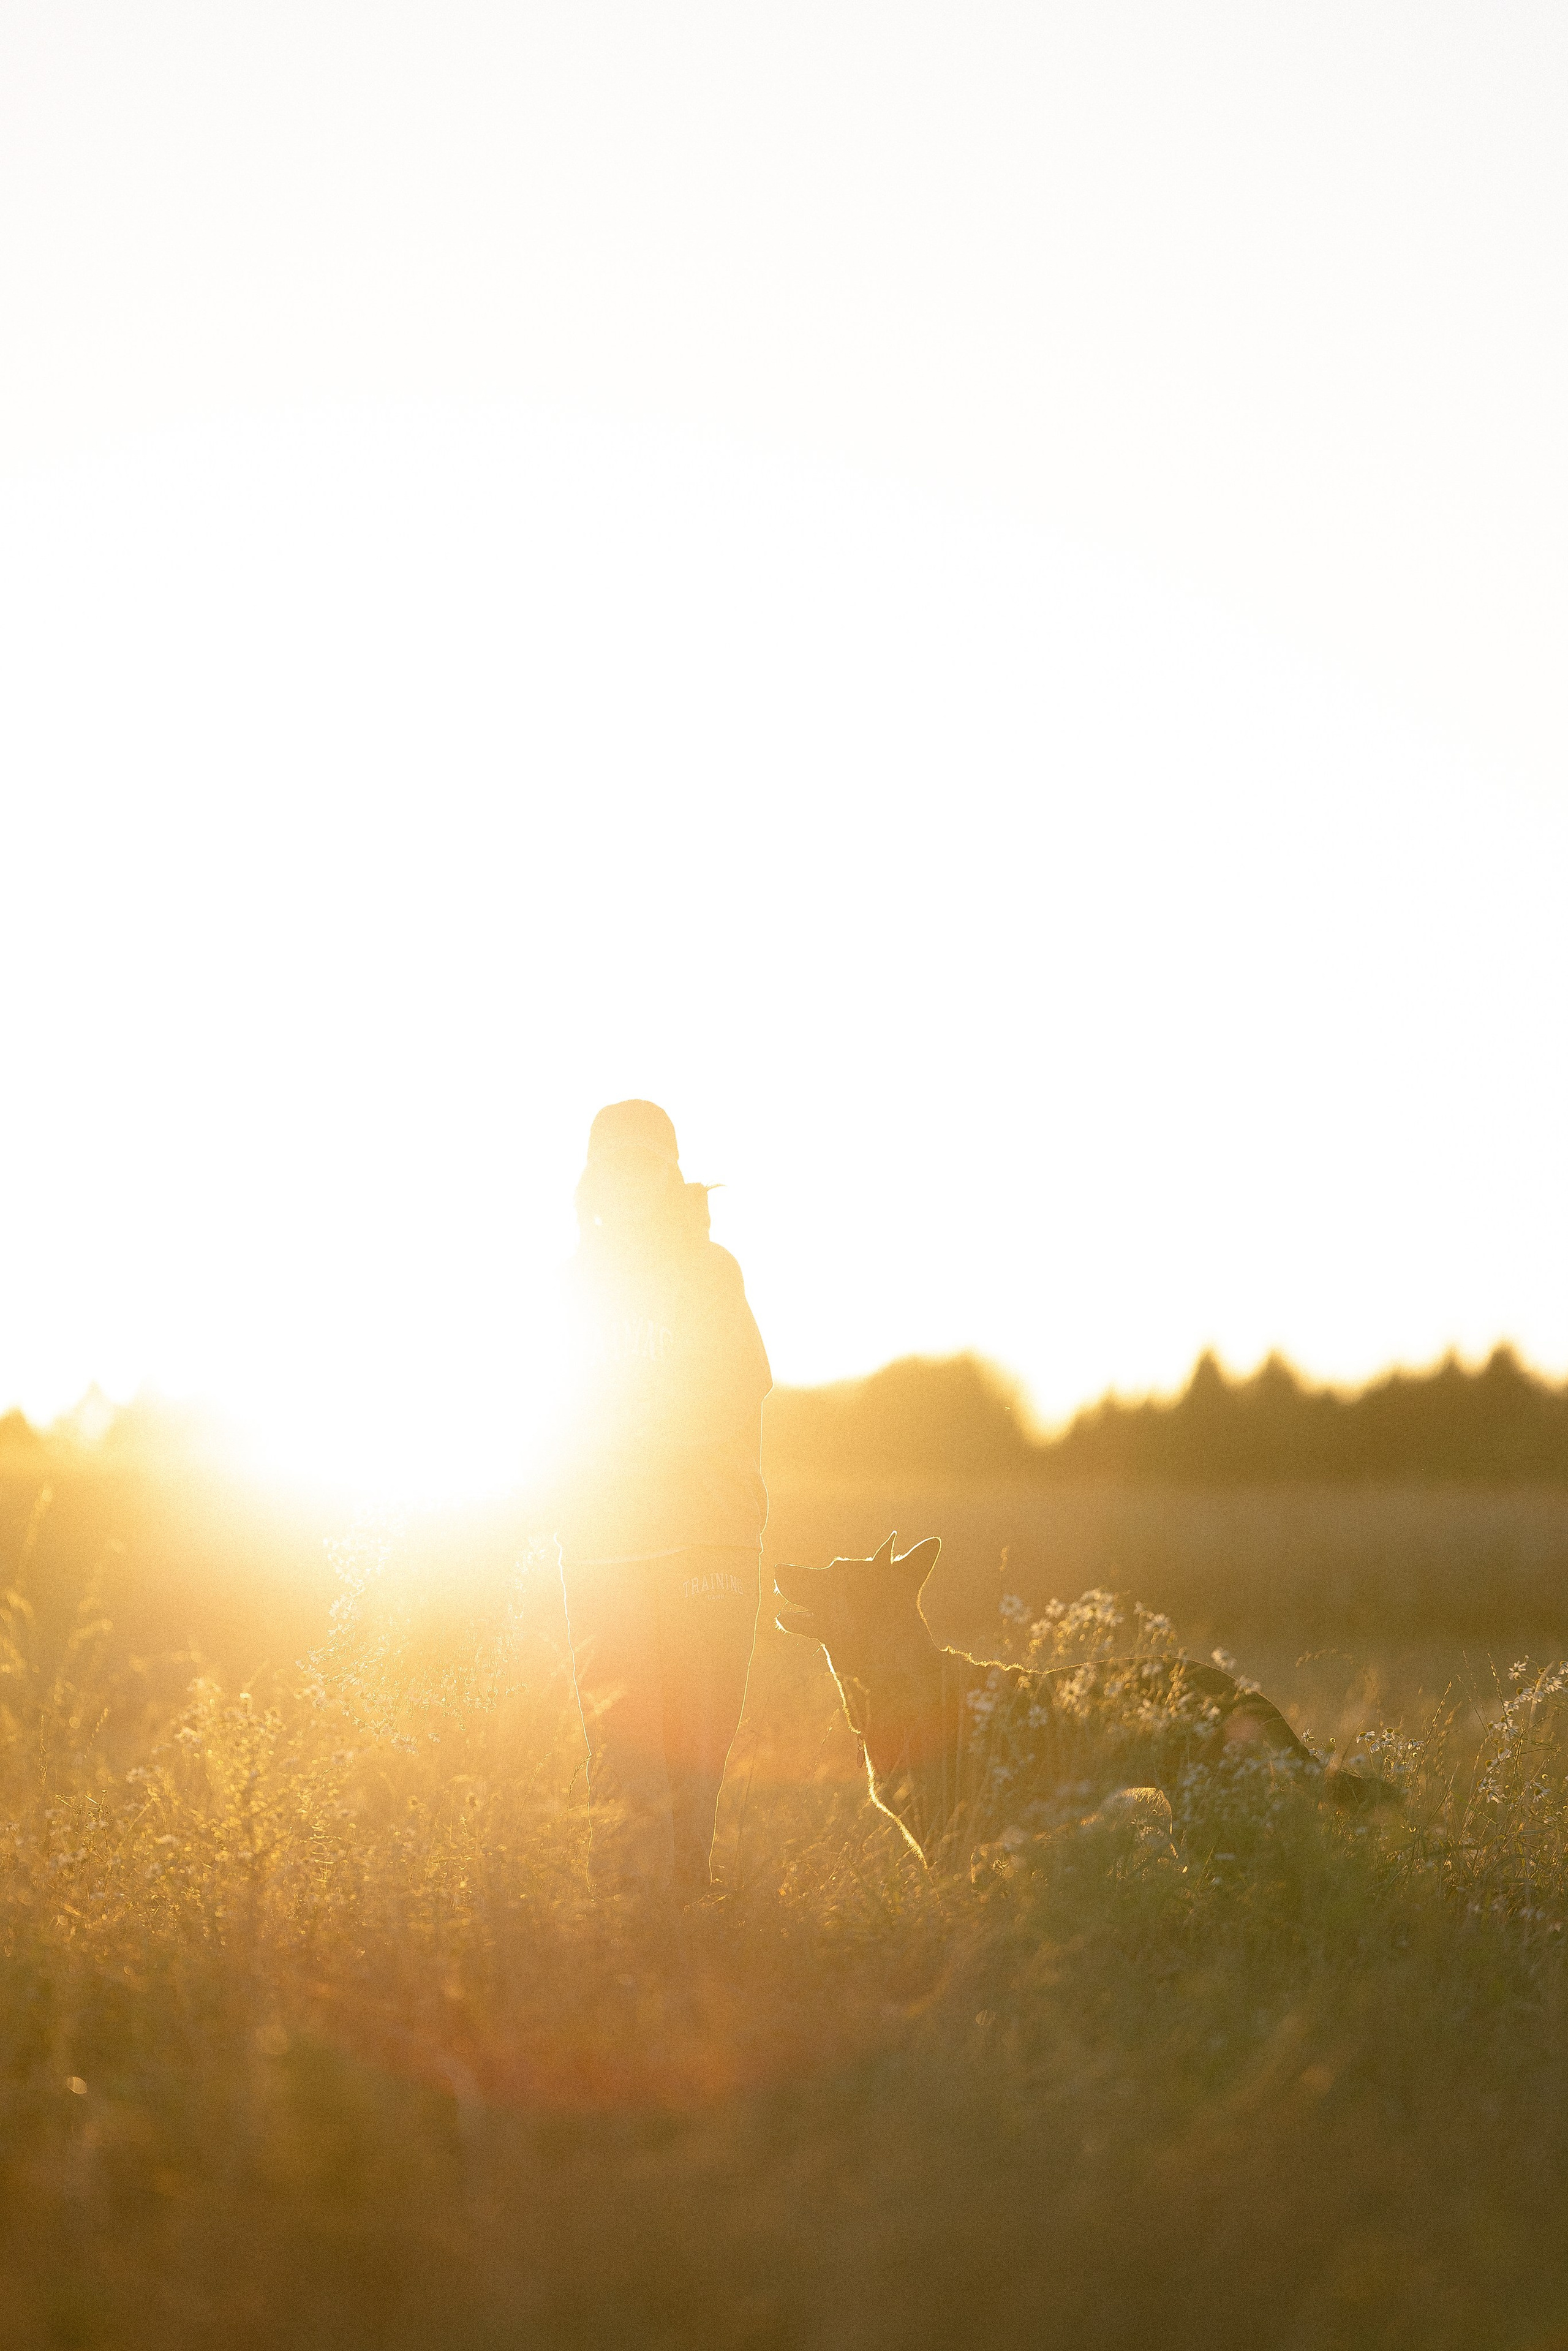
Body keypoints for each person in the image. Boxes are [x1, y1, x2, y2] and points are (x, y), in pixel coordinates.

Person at [552, 1100, 772, 1900]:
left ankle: (684, 1916)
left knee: (694, 1745)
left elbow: (734, 1386)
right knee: (619, 1744)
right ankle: (623, 1928)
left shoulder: (710, 1271)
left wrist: (629, 1440)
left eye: (645, 1161)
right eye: (614, 1163)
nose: (630, 1178)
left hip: (706, 1541)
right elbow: (549, 1409)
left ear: (669, 1172)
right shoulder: (575, 1282)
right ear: (594, 1179)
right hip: (604, 1549)